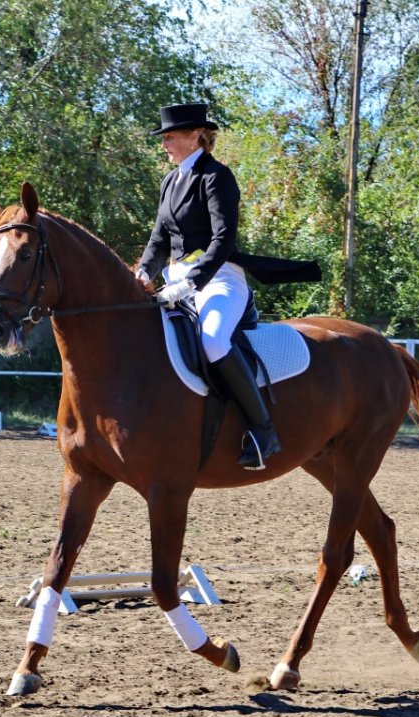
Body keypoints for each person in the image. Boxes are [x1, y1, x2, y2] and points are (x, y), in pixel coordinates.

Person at [136, 102, 281, 470]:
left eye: (170, 137)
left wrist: (191, 283)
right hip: (172, 281)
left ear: (195, 136)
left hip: (218, 279)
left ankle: (263, 431)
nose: (164, 144)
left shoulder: (216, 177)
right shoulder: (170, 181)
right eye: (164, 137)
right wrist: (141, 273)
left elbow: (223, 241)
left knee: (214, 340)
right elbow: (159, 239)